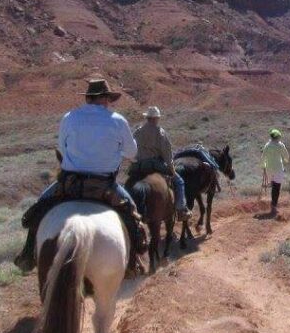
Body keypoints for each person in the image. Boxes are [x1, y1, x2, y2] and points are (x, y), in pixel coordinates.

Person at [14, 78, 146, 272]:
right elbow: (132, 153)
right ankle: (133, 262)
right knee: (132, 215)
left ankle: (27, 254)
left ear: (88, 98)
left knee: (38, 208)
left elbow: (61, 147)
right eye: (109, 99)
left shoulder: (70, 117)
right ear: (106, 99)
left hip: (70, 182)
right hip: (104, 185)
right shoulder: (118, 120)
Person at [129, 106, 190, 218]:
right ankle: (181, 210)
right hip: (155, 165)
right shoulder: (160, 132)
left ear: (147, 118)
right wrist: (172, 170)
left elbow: (132, 148)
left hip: (140, 165)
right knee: (179, 181)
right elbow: (167, 154)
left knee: (128, 184)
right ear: (156, 118)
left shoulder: (138, 131)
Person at [261, 129, 289, 214]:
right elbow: (286, 156)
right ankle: (273, 206)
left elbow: (263, 158)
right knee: (277, 188)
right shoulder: (280, 145)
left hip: (269, 169)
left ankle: (273, 202)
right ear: (277, 137)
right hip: (278, 169)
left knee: (274, 186)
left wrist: (263, 167)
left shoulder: (267, 145)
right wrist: (285, 163)